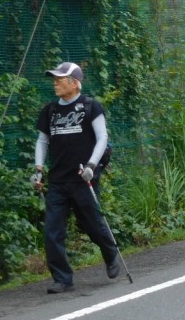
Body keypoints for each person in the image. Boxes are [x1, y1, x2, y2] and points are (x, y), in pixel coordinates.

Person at [32, 61, 120, 294]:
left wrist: (92, 165)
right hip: (58, 180)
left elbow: (102, 138)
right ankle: (62, 278)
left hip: (84, 177)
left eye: (60, 79)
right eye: (55, 79)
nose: (56, 83)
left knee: (91, 223)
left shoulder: (91, 107)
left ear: (74, 83)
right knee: (52, 230)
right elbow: (42, 141)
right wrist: (38, 168)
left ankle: (110, 252)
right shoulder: (50, 110)